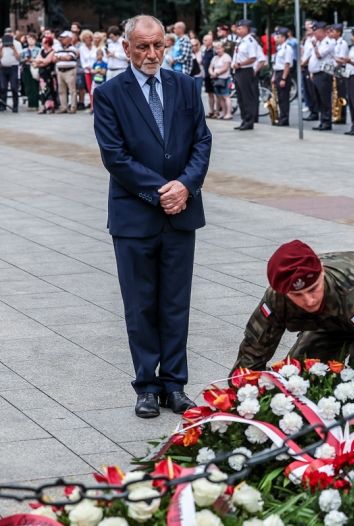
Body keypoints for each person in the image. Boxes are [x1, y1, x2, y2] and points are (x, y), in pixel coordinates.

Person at [92, 14, 212, 419]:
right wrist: (163, 191)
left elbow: (202, 141)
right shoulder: (110, 93)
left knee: (175, 303)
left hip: (182, 213)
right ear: (126, 48)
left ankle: (174, 385)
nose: (151, 53)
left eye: (158, 45)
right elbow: (115, 156)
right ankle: (146, 385)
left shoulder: (186, 86)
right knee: (140, 305)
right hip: (134, 218)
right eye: (142, 46)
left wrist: (187, 186)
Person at [232, 240, 354, 406]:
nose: (309, 300)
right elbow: (249, 360)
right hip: (335, 317)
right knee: (299, 374)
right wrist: (245, 412)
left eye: (313, 289)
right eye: (297, 295)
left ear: (321, 271)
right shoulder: (276, 299)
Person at [307, 21, 335, 131]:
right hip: (317, 73)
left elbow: (319, 56)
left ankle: (327, 121)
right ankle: (322, 120)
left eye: (317, 31)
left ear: (323, 32)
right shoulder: (319, 43)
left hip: (324, 73)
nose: (315, 34)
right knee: (318, 98)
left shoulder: (328, 42)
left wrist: (314, 46)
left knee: (324, 98)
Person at [231, 19, 258, 131]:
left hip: (245, 71)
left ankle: (249, 121)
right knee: (241, 98)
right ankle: (244, 120)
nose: (237, 30)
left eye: (240, 28)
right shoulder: (240, 40)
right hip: (238, 71)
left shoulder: (250, 41)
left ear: (246, 29)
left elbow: (253, 58)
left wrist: (240, 64)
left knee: (247, 98)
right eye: (237, 28)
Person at [272, 27, 293, 126]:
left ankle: (284, 119)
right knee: (279, 97)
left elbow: (287, 64)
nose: (276, 38)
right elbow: (276, 63)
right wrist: (274, 76)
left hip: (283, 73)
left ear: (284, 38)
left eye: (278, 36)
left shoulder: (287, 48)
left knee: (284, 98)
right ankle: (281, 117)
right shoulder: (279, 48)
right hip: (278, 73)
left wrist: (283, 78)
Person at [54, 31, 79, 113]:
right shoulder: (58, 48)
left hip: (70, 71)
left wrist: (59, 57)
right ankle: (63, 107)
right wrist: (62, 57)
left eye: (64, 38)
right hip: (60, 71)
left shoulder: (73, 49)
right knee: (61, 90)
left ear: (69, 39)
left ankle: (73, 107)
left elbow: (68, 58)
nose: (61, 40)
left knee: (72, 90)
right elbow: (53, 59)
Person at [329, 24, 348, 125]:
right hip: (333, 69)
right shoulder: (332, 43)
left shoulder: (343, 43)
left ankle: (342, 116)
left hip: (340, 69)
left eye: (333, 31)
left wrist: (333, 58)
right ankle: (335, 114)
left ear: (339, 33)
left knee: (341, 93)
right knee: (334, 93)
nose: (331, 33)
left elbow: (341, 59)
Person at [0, 27, 22, 112]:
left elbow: (19, 58)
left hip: (13, 67)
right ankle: (2, 105)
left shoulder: (17, 43)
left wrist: (13, 48)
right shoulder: (0, 42)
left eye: (9, 33)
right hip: (3, 68)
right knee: (2, 87)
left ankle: (15, 106)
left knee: (14, 87)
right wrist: (1, 48)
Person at [209, 42, 232, 119]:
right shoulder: (215, 58)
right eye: (216, 49)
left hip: (225, 79)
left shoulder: (226, 57)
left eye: (219, 48)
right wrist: (212, 73)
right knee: (220, 97)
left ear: (223, 48)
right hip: (216, 79)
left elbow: (225, 68)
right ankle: (223, 112)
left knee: (226, 96)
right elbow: (210, 67)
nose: (217, 50)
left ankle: (229, 113)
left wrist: (216, 73)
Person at [34, 36, 57, 113]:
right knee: (42, 91)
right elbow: (36, 61)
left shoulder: (53, 51)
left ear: (48, 43)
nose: (42, 44)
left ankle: (50, 107)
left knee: (50, 90)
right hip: (42, 74)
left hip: (49, 74)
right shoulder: (41, 51)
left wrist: (40, 62)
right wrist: (41, 62)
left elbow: (47, 61)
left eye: (44, 42)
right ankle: (43, 106)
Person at [21, 33, 40, 111]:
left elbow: (40, 58)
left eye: (32, 39)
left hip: (35, 67)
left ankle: (35, 104)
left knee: (35, 86)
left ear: (35, 40)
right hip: (26, 68)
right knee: (28, 86)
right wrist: (25, 60)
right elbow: (20, 60)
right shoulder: (24, 50)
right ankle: (30, 103)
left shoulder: (39, 49)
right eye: (28, 39)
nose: (30, 41)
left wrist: (33, 59)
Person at [78, 29, 96, 111]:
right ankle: (92, 106)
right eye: (85, 38)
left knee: (97, 88)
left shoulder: (95, 46)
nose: (87, 39)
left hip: (96, 71)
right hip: (87, 71)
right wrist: (87, 67)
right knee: (90, 89)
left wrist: (94, 68)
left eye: (88, 37)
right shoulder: (81, 48)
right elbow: (82, 60)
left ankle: (98, 106)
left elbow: (98, 58)